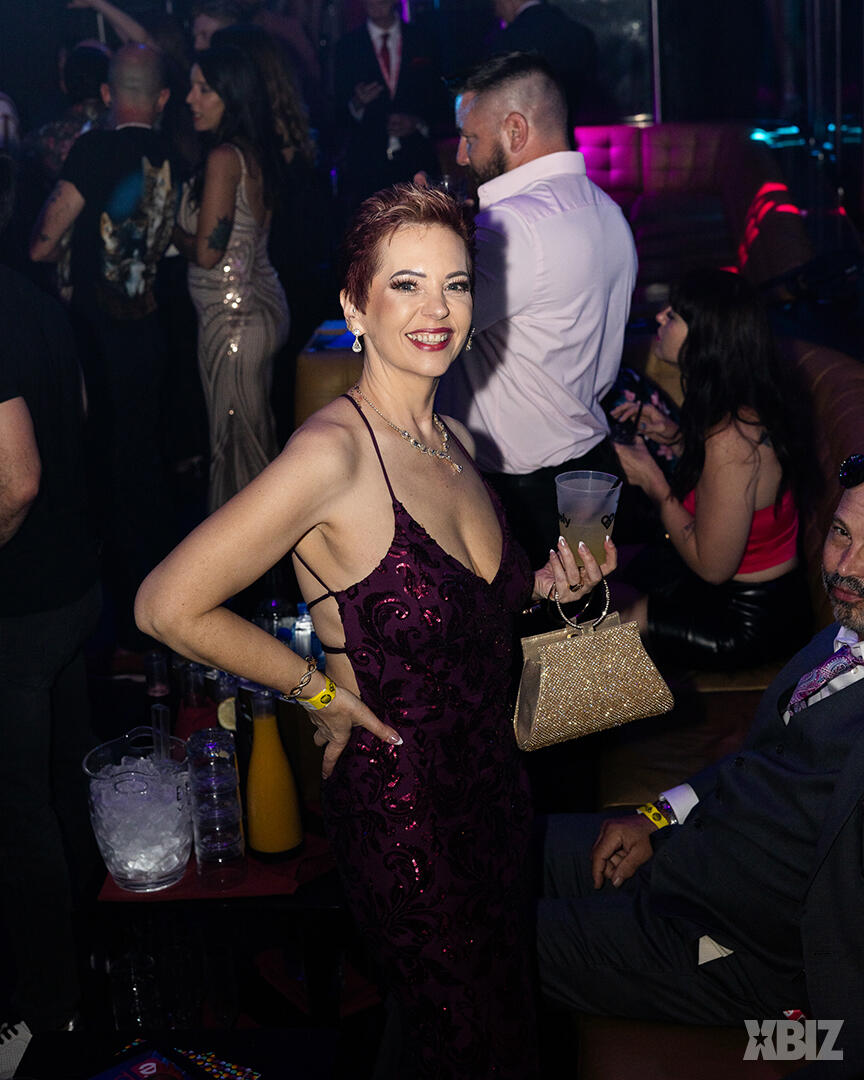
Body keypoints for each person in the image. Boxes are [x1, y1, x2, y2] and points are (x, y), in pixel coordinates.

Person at [135, 183, 616, 1078]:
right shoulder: (333, 454)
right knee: (470, 1042)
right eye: (406, 285)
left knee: (500, 1024)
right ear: (355, 306)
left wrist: (549, 585)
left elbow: (468, 608)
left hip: (497, 796)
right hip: (409, 819)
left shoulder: (452, 439)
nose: (438, 310)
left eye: (456, 285)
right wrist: (315, 691)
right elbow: (166, 604)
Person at [537, 452, 864, 1075]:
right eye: (842, 533)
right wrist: (657, 819)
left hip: (727, 950)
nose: (847, 566)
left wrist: (796, 1044)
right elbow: (762, 758)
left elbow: (841, 1008)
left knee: (470, 944)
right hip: (680, 851)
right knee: (491, 849)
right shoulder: (846, 634)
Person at [437, 52, 637, 568]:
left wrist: (418, 234)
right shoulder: (607, 210)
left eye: (470, 138)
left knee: (530, 618)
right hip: (591, 467)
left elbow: (435, 328)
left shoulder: (510, 226)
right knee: (588, 610)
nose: (461, 155)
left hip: (524, 492)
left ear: (515, 130)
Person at [0, 152, 100, 1070]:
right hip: (71, 585)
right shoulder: (33, 298)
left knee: (18, 812)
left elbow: (18, 480)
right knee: (66, 781)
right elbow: (76, 409)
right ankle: (87, 962)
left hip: (21, 605)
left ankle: (45, 1010)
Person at [30, 42, 177, 654]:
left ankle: (123, 635)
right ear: (161, 98)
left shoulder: (93, 151)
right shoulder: (175, 153)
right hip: (154, 332)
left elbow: (43, 241)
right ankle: (162, 617)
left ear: (109, 95)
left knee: (105, 476)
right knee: (146, 470)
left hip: (97, 340)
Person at [610, 268, 814, 669]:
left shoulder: (732, 439)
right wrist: (675, 439)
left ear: (705, 339)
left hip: (747, 620)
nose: (660, 317)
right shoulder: (734, 403)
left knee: (601, 612)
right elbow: (727, 484)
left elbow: (712, 567)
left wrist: (651, 480)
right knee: (609, 569)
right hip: (737, 595)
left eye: (674, 315)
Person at [173, 44, 290, 511]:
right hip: (260, 308)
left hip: (233, 322)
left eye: (204, 89)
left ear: (232, 96)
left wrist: (168, 230)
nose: (190, 98)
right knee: (256, 443)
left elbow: (207, 251)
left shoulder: (224, 157)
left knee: (237, 455)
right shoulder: (254, 151)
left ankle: (251, 555)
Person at [334, 0, 449, 213]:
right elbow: (334, 115)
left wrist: (417, 123)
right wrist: (357, 103)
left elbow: (440, 100)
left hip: (416, 160)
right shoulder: (347, 47)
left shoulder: (423, 39)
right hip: (368, 167)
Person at [488, 0, 601, 124]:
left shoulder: (508, 39)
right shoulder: (579, 33)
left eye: (496, 2)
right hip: (568, 129)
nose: (497, 12)